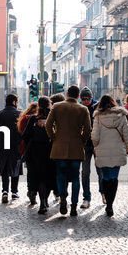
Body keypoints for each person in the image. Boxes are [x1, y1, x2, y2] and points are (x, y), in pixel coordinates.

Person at [45, 85, 92, 217]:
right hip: (76, 148)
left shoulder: (57, 106)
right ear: (78, 96)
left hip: (59, 147)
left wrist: (54, 138)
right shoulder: (83, 109)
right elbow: (88, 129)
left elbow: (48, 125)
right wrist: (81, 141)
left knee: (60, 175)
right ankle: (74, 206)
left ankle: (63, 199)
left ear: (67, 94)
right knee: (75, 177)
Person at [90, 94, 128, 217]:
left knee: (106, 177)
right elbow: (127, 135)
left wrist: (96, 146)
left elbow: (95, 136)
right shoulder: (122, 116)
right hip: (117, 150)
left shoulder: (98, 117)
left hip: (103, 151)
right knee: (114, 177)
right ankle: (110, 205)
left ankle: (107, 202)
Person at [23, 96, 55, 214]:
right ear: (49, 105)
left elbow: (25, 135)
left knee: (39, 177)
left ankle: (42, 202)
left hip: (35, 152)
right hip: (50, 151)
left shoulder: (33, 118)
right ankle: (45, 200)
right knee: (48, 177)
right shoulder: (53, 117)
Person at [0, 94, 22, 202]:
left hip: (3, 145)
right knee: (16, 167)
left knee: (4, 168)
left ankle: (5, 191)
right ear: (14, 102)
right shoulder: (19, 114)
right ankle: (14, 192)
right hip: (16, 145)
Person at [78, 87, 97, 209]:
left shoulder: (98, 107)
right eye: (83, 99)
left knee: (100, 170)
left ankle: (103, 192)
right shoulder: (79, 108)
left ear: (91, 97)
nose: (86, 101)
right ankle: (86, 197)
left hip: (97, 143)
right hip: (84, 144)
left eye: (88, 98)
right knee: (85, 172)